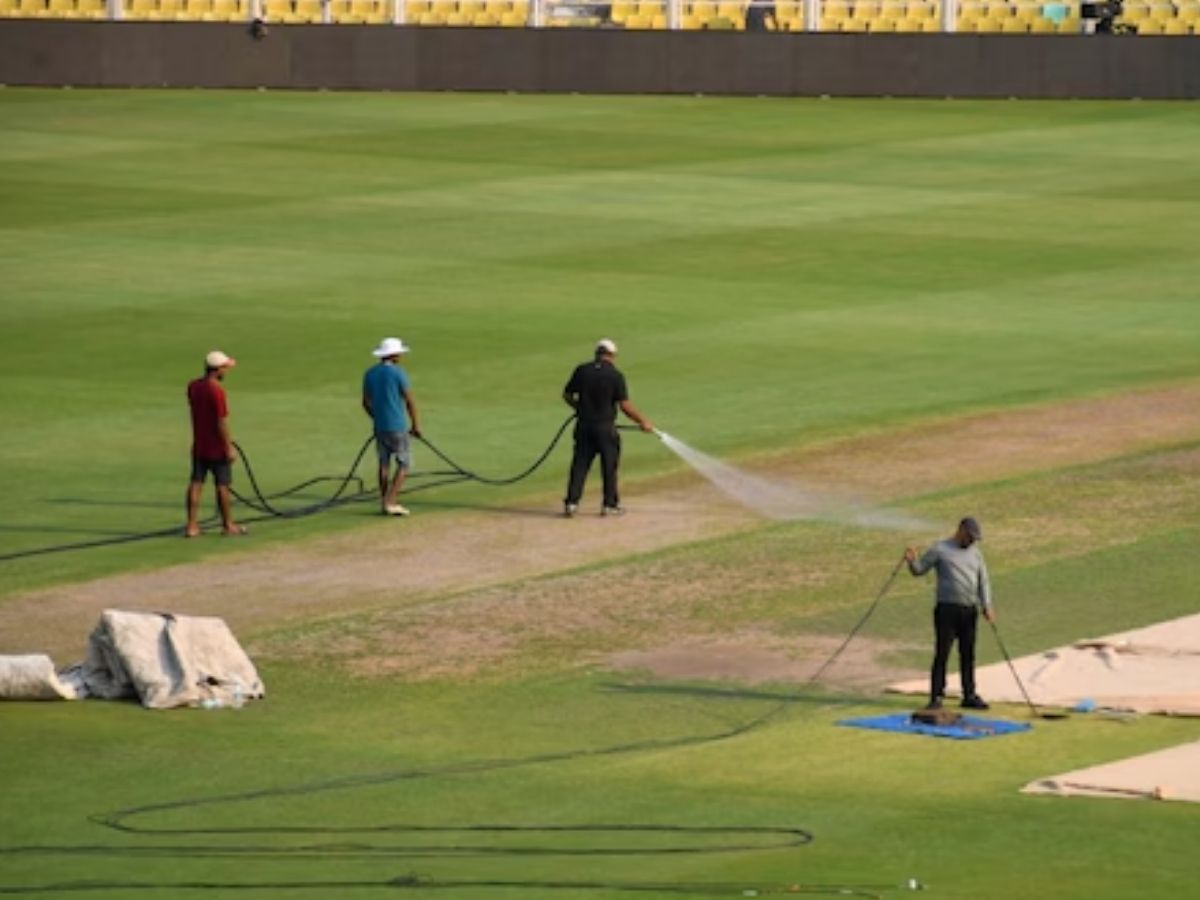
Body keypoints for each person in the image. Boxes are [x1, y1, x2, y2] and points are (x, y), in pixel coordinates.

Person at [905, 516, 994, 711]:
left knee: (968, 654)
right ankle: (936, 696)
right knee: (942, 653)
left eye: (974, 539)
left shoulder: (976, 554)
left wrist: (986, 605)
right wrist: (912, 562)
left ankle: (969, 695)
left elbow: (983, 580)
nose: (972, 541)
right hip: (947, 610)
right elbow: (920, 570)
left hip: (970, 610)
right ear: (960, 530)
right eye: (970, 536)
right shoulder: (940, 549)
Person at [562, 338, 654, 518]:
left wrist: (580, 408)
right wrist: (643, 421)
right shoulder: (615, 375)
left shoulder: (582, 370)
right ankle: (609, 504)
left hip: (584, 426)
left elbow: (567, 394)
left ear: (597, 353)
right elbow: (624, 406)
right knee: (609, 467)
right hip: (605, 429)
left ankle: (572, 503)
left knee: (580, 465)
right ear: (612, 355)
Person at [185, 350, 245, 538]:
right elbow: (221, 421)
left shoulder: (193, 386)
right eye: (224, 368)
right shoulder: (217, 391)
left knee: (196, 483)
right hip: (216, 447)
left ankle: (191, 526)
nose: (225, 372)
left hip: (199, 444)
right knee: (222, 485)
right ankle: (228, 525)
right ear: (217, 369)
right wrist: (228, 447)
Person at [363, 337, 422, 517]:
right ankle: (392, 501)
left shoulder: (370, 373)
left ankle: (384, 501)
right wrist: (416, 426)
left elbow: (365, 402)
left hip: (380, 427)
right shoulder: (398, 373)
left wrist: (378, 418)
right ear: (394, 355)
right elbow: (409, 401)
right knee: (404, 464)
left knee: (384, 463)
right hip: (398, 426)